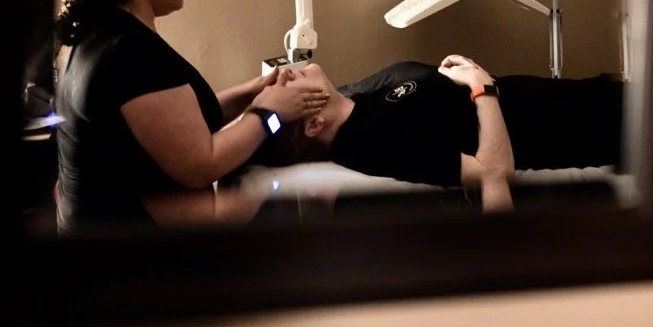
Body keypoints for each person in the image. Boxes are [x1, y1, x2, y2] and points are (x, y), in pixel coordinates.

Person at [54, 0, 329, 233]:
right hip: (123, 262)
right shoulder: (129, 52)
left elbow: (179, 122)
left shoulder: (102, 33)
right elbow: (201, 164)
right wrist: (270, 115)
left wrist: (254, 91)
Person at [252, 56, 623, 212]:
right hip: (579, 127)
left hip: (578, 96)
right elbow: (494, 170)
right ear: (314, 125)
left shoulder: (353, 96)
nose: (285, 75)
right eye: (286, 92)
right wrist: (481, 87)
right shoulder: (368, 143)